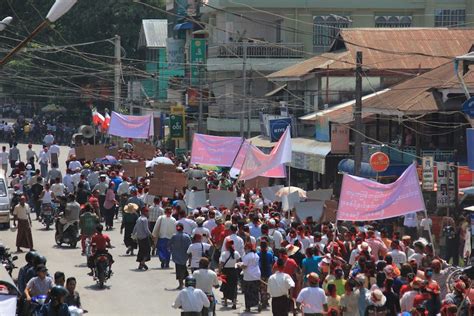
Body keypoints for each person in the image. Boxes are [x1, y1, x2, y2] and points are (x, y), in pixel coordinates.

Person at [239, 242, 261, 312]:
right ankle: (258, 303)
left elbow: (245, 266)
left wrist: (239, 265)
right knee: (255, 291)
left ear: (248, 248)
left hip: (249, 276)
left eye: (245, 248)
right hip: (256, 274)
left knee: (248, 292)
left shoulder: (247, 256)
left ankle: (248, 307)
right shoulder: (256, 255)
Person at [219, 239, 241, 309]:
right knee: (234, 287)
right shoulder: (236, 253)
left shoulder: (224, 253)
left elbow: (221, 264)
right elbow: (238, 262)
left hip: (225, 271)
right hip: (234, 271)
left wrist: (219, 271)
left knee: (225, 286)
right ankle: (234, 302)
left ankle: (225, 302)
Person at [169, 223, 192, 289]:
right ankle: (184, 283)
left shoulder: (174, 236)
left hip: (176, 256)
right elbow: (190, 246)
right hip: (184, 256)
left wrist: (170, 250)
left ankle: (181, 284)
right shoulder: (187, 236)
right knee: (183, 268)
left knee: (179, 270)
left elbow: (169, 244)